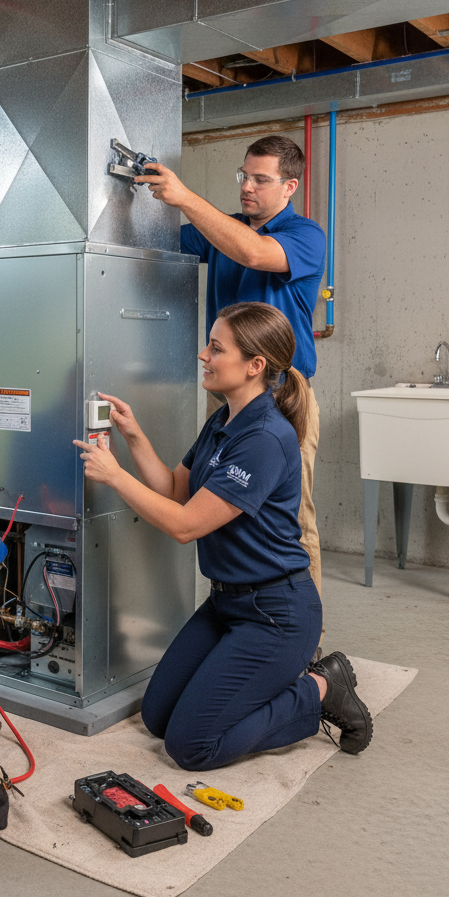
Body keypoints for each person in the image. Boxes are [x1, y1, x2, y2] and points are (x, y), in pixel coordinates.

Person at [73, 302, 371, 771]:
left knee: (191, 746)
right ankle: (272, 686)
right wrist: (133, 437)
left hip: (277, 614)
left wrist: (113, 477)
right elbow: (174, 489)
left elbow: (185, 525)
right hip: (226, 604)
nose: (202, 355)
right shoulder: (223, 421)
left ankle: (318, 688)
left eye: (216, 348)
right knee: (157, 718)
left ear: (255, 366)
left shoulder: (266, 438)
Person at [137, 136, 326, 597]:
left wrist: (183, 197)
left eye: (262, 179)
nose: (248, 187)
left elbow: (254, 253)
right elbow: (151, 241)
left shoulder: (305, 235)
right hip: (229, 395)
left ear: (290, 186)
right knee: (213, 501)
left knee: (292, 517)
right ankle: (239, 614)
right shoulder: (221, 228)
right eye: (245, 176)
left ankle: (304, 637)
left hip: (282, 392)